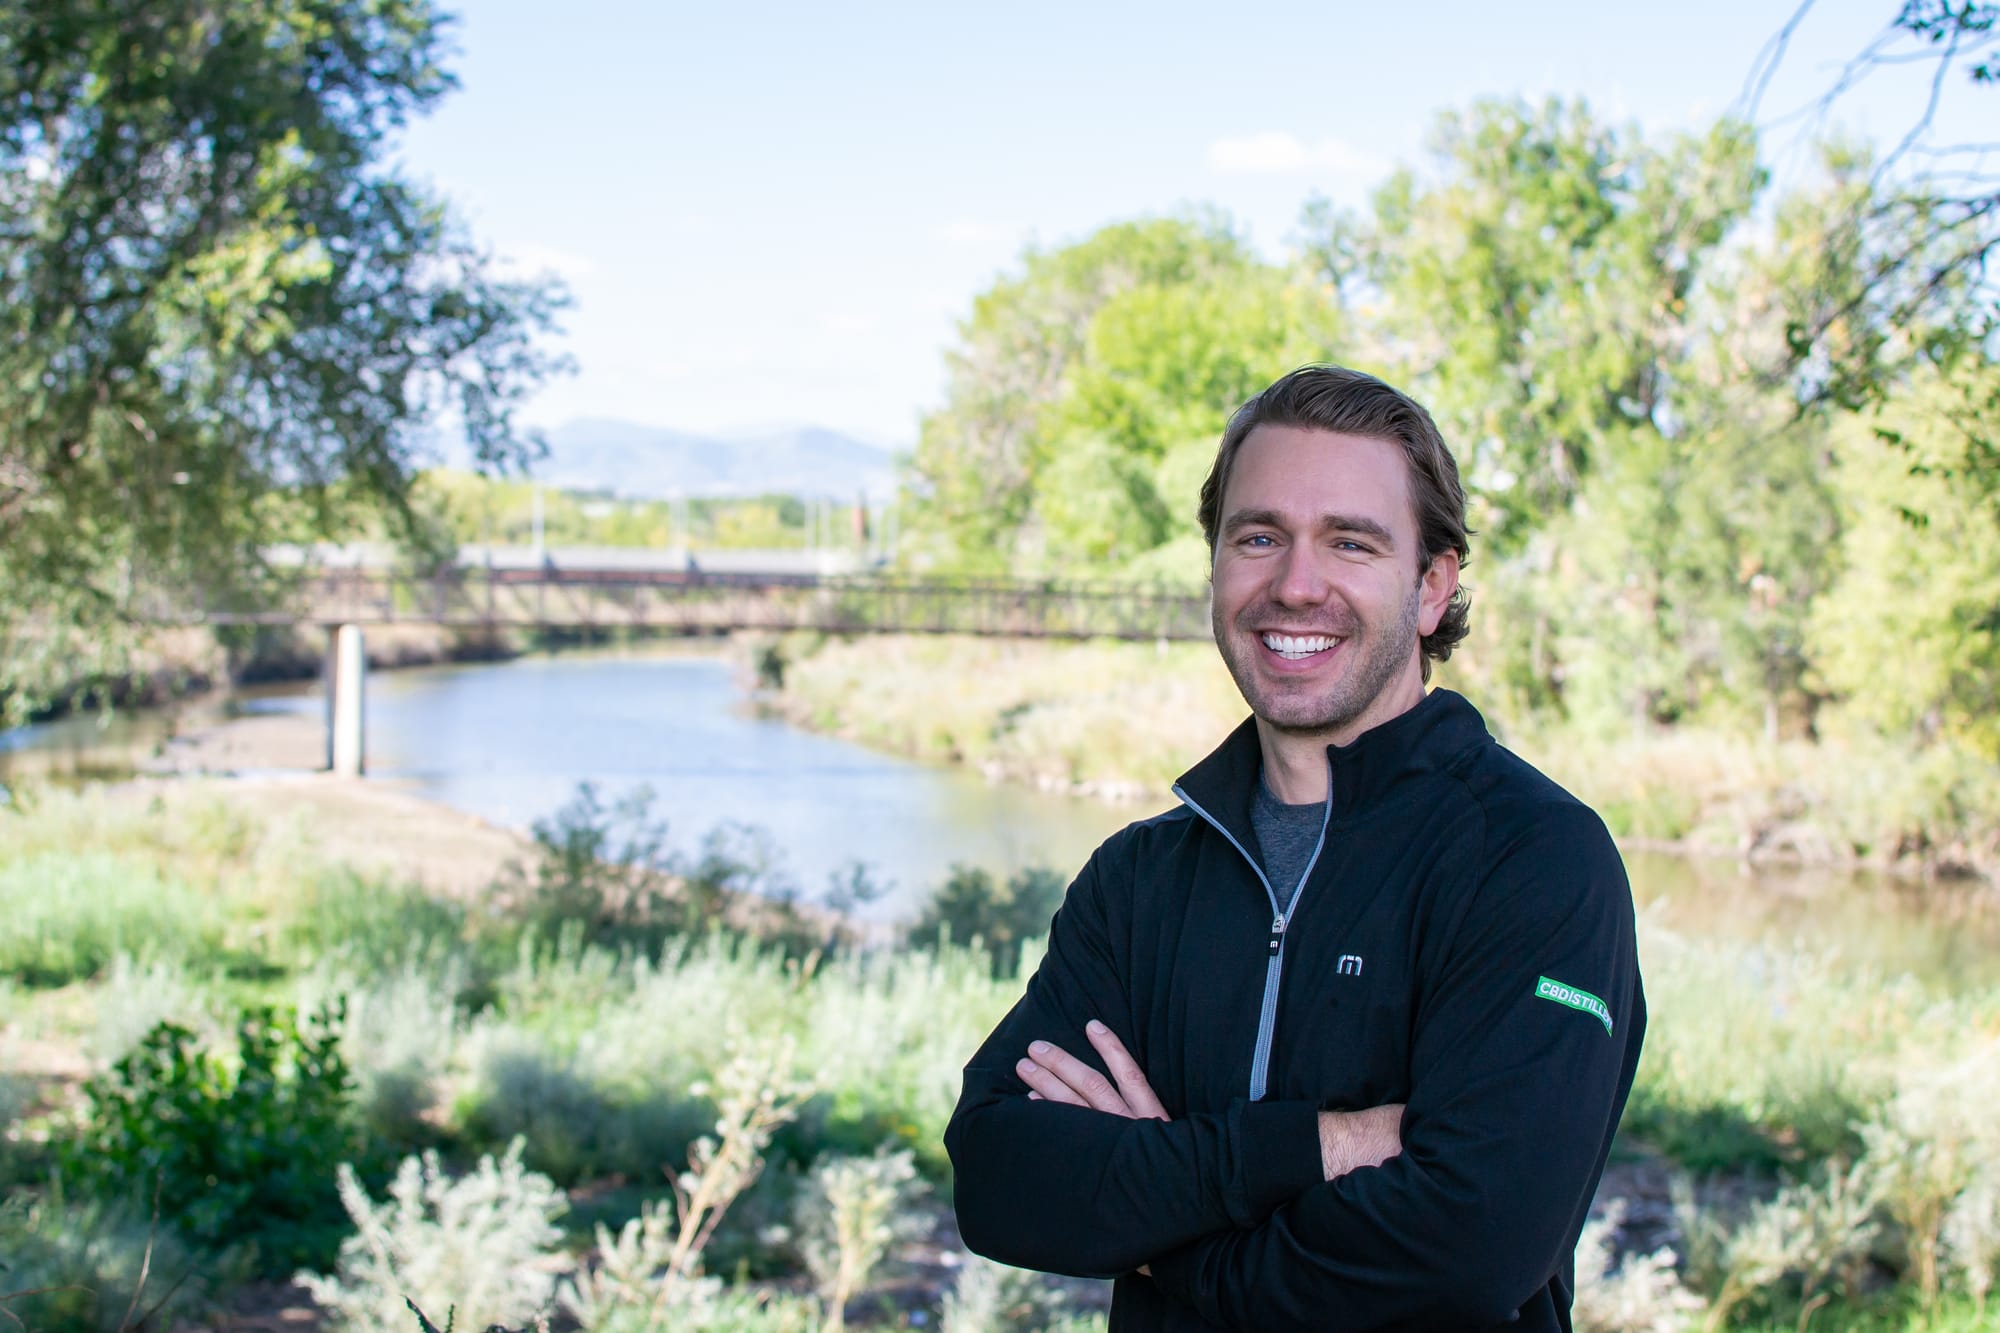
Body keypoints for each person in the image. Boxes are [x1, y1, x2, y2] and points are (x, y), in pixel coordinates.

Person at [943, 365, 1646, 1332]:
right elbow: (997, 1178)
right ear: (1216, 564)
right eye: (1259, 537)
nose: (1295, 585)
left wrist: (1164, 1232)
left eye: (1350, 542)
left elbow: (1469, 1251)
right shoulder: (1140, 880)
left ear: (1432, 586)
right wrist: (1319, 1145)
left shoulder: (1534, 861)